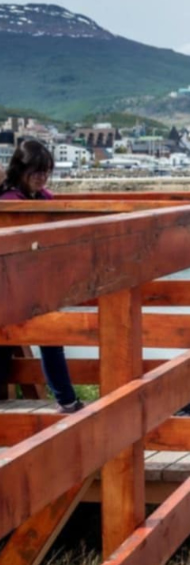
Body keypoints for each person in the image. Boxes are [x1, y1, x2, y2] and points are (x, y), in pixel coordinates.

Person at [0, 141, 85, 414]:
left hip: (31, 286)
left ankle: (66, 399)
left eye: (46, 171)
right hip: (13, 287)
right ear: (21, 169)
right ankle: (66, 399)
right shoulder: (10, 202)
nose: (42, 176)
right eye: (36, 171)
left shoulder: (42, 199)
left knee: (36, 339)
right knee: (40, 338)